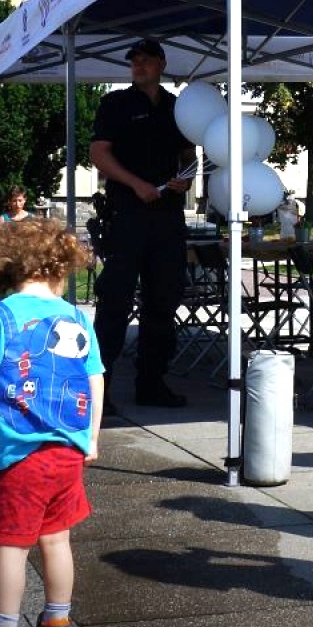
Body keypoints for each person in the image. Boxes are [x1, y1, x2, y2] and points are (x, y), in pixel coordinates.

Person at [0, 218, 103, 627]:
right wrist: (90, 437)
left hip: (20, 454)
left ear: (5, 267)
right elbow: (95, 381)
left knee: (14, 546)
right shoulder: (76, 317)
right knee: (57, 540)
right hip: (67, 453)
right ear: (61, 266)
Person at [87, 38, 195, 410]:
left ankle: (152, 382)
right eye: (135, 61)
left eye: (146, 60)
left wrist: (186, 178)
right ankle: (100, 387)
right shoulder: (115, 104)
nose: (139, 66)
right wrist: (136, 185)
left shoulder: (176, 107)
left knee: (163, 300)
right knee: (115, 300)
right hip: (127, 214)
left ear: (162, 64)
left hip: (167, 217)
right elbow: (98, 153)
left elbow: (188, 154)